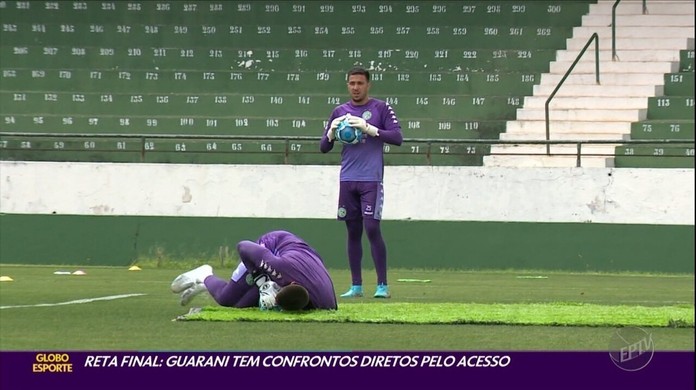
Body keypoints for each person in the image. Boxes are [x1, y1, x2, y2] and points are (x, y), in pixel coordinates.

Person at [320, 66, 403, 299]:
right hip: (348, 179)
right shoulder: (340, 111)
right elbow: (324, 148)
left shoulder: (381, 108)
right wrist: (330, 134)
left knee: (372, 228)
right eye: (351, 83)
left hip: (371, 180)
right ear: (347, 85)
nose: (355, 87)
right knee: (352, 231)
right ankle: (356, 286)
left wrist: (371, 129)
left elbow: (397, 137)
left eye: (360, 83)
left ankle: (382, 286)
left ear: (368, 85)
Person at [170, 230, 337, 311]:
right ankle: (204, 274)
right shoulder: (279, 269)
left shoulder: (327, 305)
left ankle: (204, 286)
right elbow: (243, 246)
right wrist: (261, 281)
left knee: (242, 305)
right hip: (272, 246)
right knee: (227, 298)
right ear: (290, 283)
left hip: (304, 260)